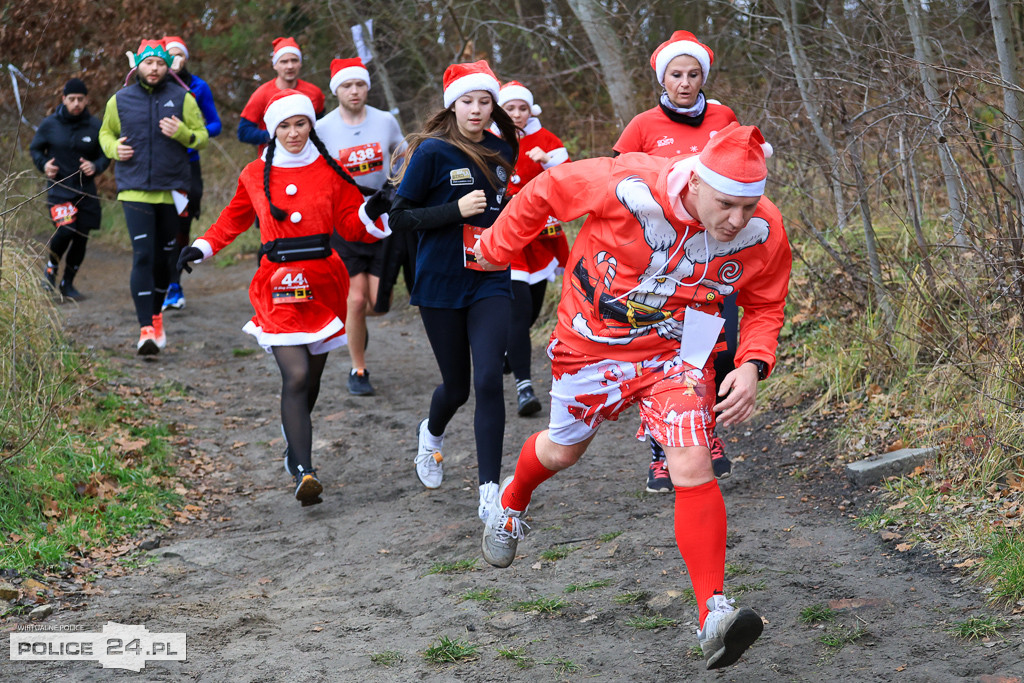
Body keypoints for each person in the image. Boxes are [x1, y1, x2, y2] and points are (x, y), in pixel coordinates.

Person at [475, 123, 791, 671]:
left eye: (748, 205)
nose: (737, 220)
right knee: (562, 451)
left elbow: (765, 302)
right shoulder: (627, 182)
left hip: (677, 353)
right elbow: (545, 190)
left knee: (692, 459)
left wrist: (752, 364)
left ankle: (712, 613)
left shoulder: (763, 228)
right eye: (726, 205)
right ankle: (511, 502)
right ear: (696, 183)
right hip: (591, 344)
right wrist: (493, 247)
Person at [176, 90, 390, 506]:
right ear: (272, 129)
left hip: (325, 283)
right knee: (294, 376)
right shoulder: (255, 174)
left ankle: (295, 446)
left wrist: (374, 208)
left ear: (312, 125)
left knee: (311, 379)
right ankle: (306, 472)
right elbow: (232, 220)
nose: (294, 133)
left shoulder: (331, 170)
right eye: (284, 125)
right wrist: (200, 248)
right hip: (278, 285)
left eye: (301, 123)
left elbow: (352, 226)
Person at [388, 61, 518, 523]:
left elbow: (506, 213)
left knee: (488, 380)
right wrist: (455, 210)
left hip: (490, 278)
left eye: (485, 102)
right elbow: (398, 219)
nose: (477, 110)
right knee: (458, 387)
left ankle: (489, 493)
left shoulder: (505, 150)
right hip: (441, 283)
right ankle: (431, 432)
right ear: (453, 105)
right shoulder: (432, 153)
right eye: (468, 101)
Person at [614, 30, 740, 492]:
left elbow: (742, 176)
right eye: (676, 74)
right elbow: (618, 184)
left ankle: (705, 431)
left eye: (692, 74)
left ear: (703, 77)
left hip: (716, 254)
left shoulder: (724, 118)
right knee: (667, 359)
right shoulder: (642, 126)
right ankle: (662, 454)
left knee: (718, 350)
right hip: (662, 262)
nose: (684, 83)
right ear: (662, 78)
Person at [98, 40, 208, 355]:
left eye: (160, 64)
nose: (154, 69)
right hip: (134, 189)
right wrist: (112, 149)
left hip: (172, 190)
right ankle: (146, 328)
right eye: (149, 64)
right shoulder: (119, 100)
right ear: (138, 66)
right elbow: (106, 134)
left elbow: (202, 137)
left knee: (165, 260)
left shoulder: (182, 97)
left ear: (167, 66)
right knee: (143, 256)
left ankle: (157, 316)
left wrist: (183, 135)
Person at [315, 57, 404, 396]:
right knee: (354, 301)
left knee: (377, 305)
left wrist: (399, 189)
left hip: (381, 219)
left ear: (368, 87)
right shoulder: (322, 128)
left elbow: (403, 157)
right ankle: (359, 369)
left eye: (360, 84)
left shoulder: (385, 121)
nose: (354, 91)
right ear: (336, 90)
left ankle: (355, 324)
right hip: (344, 221)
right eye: (347, 86)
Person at [496, 80, 571, 417]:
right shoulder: (491, 141)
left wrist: (547, 161)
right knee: (517, 307)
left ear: (531, 110)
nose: (516, 114)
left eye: (521, 108)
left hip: (541, 236)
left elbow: (568, 178)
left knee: (529, 312)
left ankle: (510, 352)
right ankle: (524, 387)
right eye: (509, 108)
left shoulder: (546, 140)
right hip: (507, 235)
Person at [29, 77, 110, 300]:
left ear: (86, 100)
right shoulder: (50, 125)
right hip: (59, 191)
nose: (76, 103)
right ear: (63, 99)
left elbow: (106, 154)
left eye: (80, 99)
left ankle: (68, 283)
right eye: (72, 99)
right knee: (66, 230)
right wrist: (44, 165)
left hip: (86, 192)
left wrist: (96, 166)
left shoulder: (95, 125)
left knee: (81, 237)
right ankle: (51, 270)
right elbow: (35, 150)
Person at [161, 35, 222, 312]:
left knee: (182, 224)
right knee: (163, 227)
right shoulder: (155, 86)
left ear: (186, 58)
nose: (175, 60)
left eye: (180, 55)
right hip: (161, 166)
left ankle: (175, 279)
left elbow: (216, 125)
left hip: (188, 164)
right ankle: (168, 286)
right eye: (170, 55)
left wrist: (192, 135)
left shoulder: (199, 87)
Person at [238, 37, 325, 156]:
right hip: (273, 160)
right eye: (284, 62)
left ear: (300, 63)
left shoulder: (314, 92)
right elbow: (243, 132)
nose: (290, 66)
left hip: (309, 158)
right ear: (275, 65)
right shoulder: (261, 94)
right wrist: (277, 134)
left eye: (294, 60)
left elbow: (321, 126)